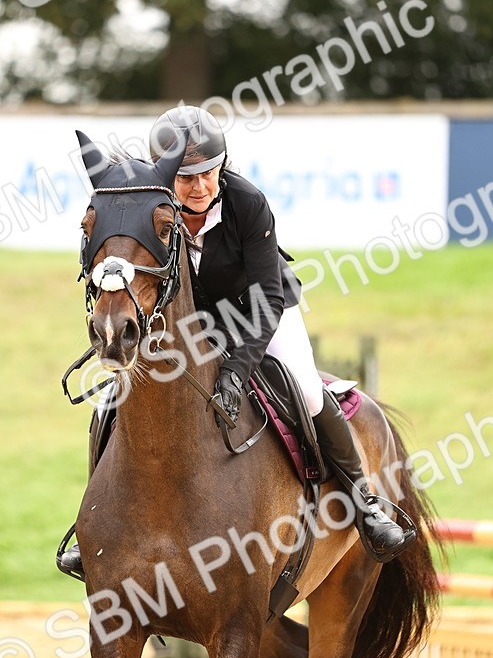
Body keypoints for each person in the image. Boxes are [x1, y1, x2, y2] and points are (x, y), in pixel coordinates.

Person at [57, 105, 414, 579]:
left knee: (306, 388)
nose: (200, 186)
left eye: (208, 172)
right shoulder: (151, 211)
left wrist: (234, 371)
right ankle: (95, 532)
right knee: (112, 400)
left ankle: (363, 502)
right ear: (167, 176)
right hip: (196, 322)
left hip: (261, 312)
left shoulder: (247, 203)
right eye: (186, 177)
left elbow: (267, 295)